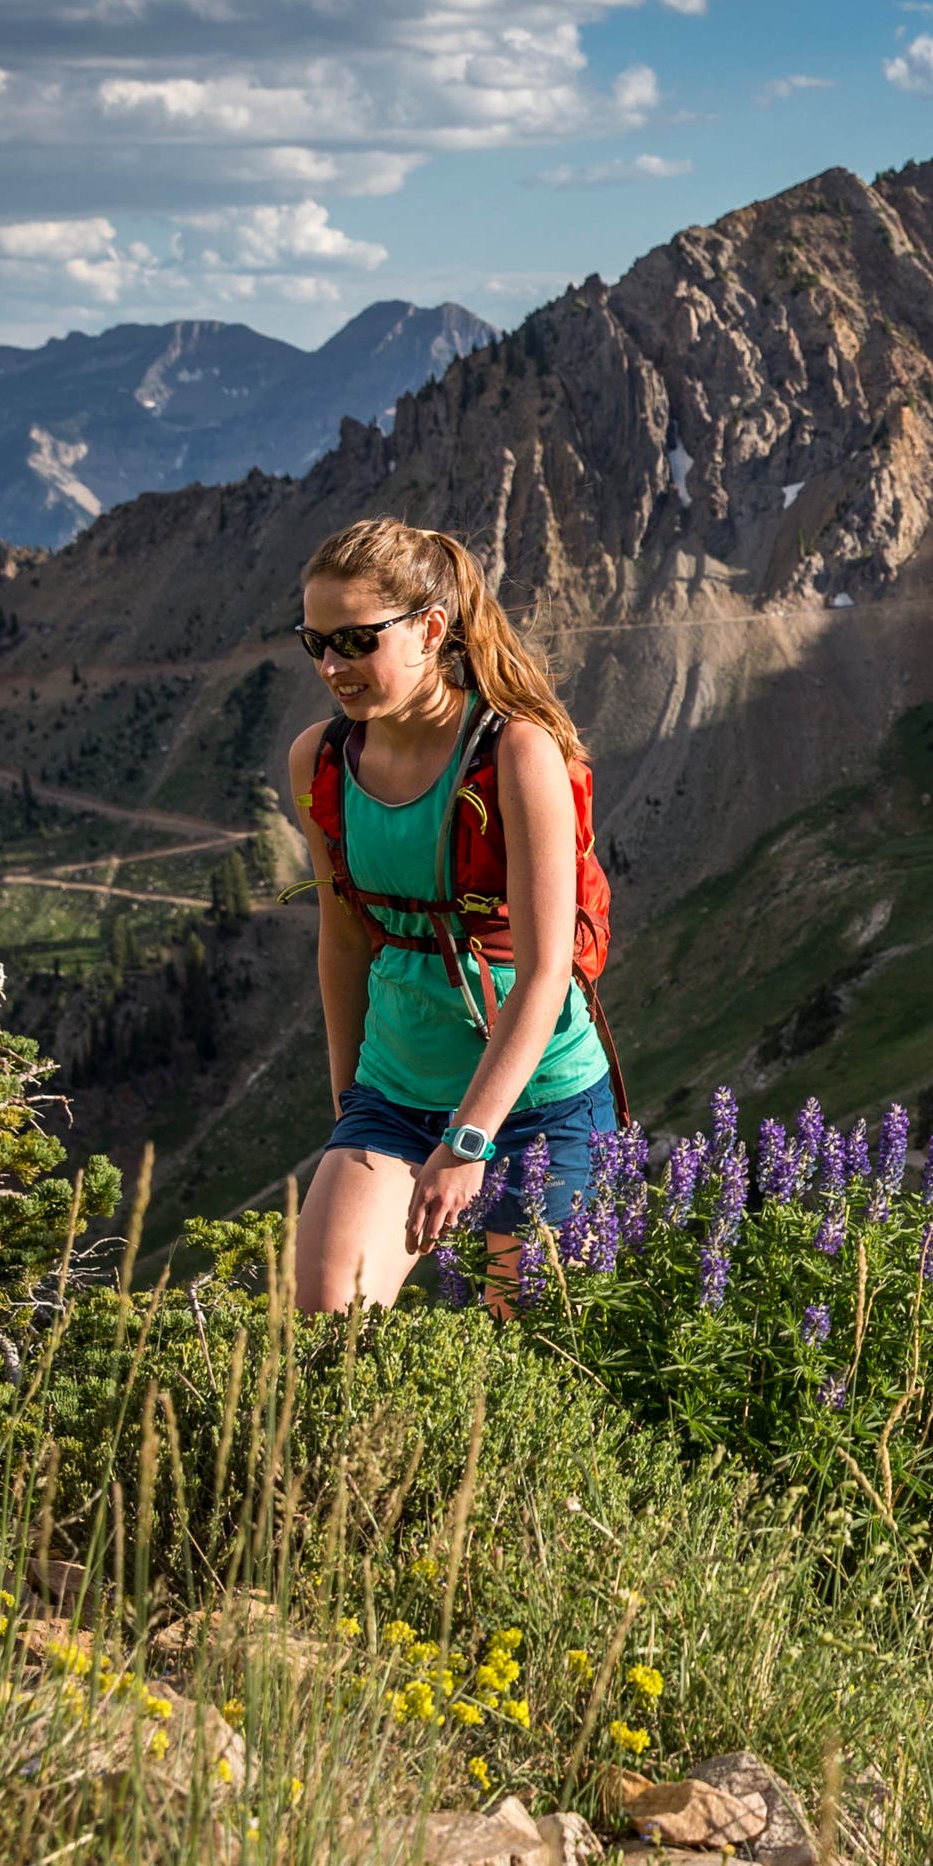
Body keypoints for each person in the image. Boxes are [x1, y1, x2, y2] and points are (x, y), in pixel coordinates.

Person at [284, 519, 618, 1316]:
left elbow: (544, 973)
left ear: (431, 630)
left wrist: (469, 1140)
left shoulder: (517, 752)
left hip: (541, 1103)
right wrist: (347, 1100)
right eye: (316, 642)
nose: (334, 666)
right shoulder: (320, 758)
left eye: (357, 641)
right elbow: (343, 936)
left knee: (533, 1357)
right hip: (393, 1092)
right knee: (327, 1324)